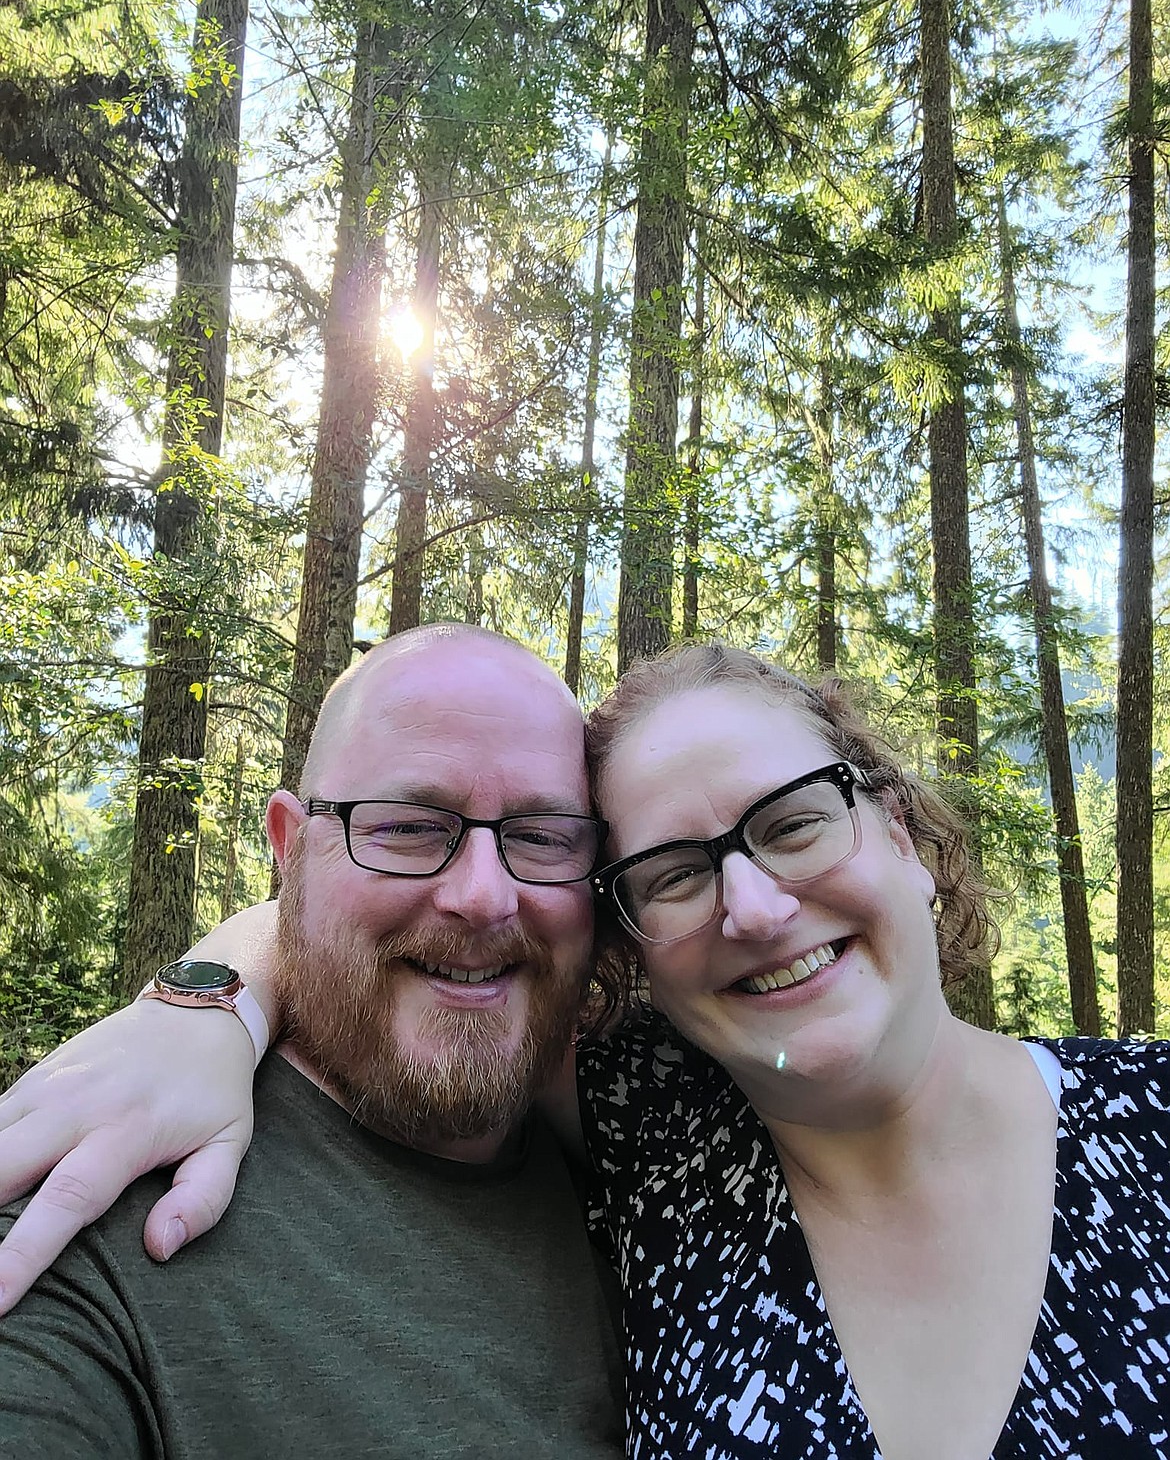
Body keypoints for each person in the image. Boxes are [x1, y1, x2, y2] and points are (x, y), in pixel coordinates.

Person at [3, 638, 1169, 1458]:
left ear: (902, 836)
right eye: (673, 874)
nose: (754, 909)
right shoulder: (657, 1143)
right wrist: (204, 1009)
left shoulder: (1147, 1126)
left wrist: (200, 999)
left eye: (796, 820)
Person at [0, 625, 623, 1457]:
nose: (484, 896)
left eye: (543, 837)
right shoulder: (98, 1196)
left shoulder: (666, 1180)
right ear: (292, 850)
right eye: (408, 826)